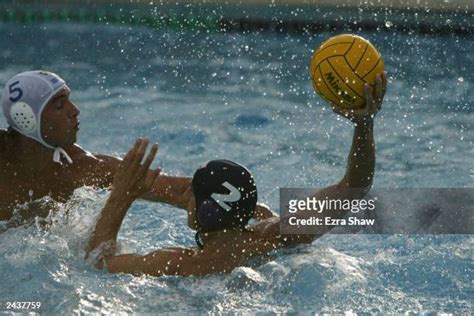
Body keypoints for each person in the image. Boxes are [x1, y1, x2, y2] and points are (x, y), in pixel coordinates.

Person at [85, 73, 387, 277]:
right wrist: (364, 125)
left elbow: (98, 263)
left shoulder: (181, 263)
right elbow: (354, 187)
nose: (183, 196)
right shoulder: (280, 236)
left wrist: (121, 197)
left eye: (190, 194)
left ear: (199, 213)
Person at [0, 70, 191, 222]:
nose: (75, 110)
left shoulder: (78, 168)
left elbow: (178, 190)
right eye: (60, 106)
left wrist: (214, 181)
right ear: (26, 119)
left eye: (69, 100)